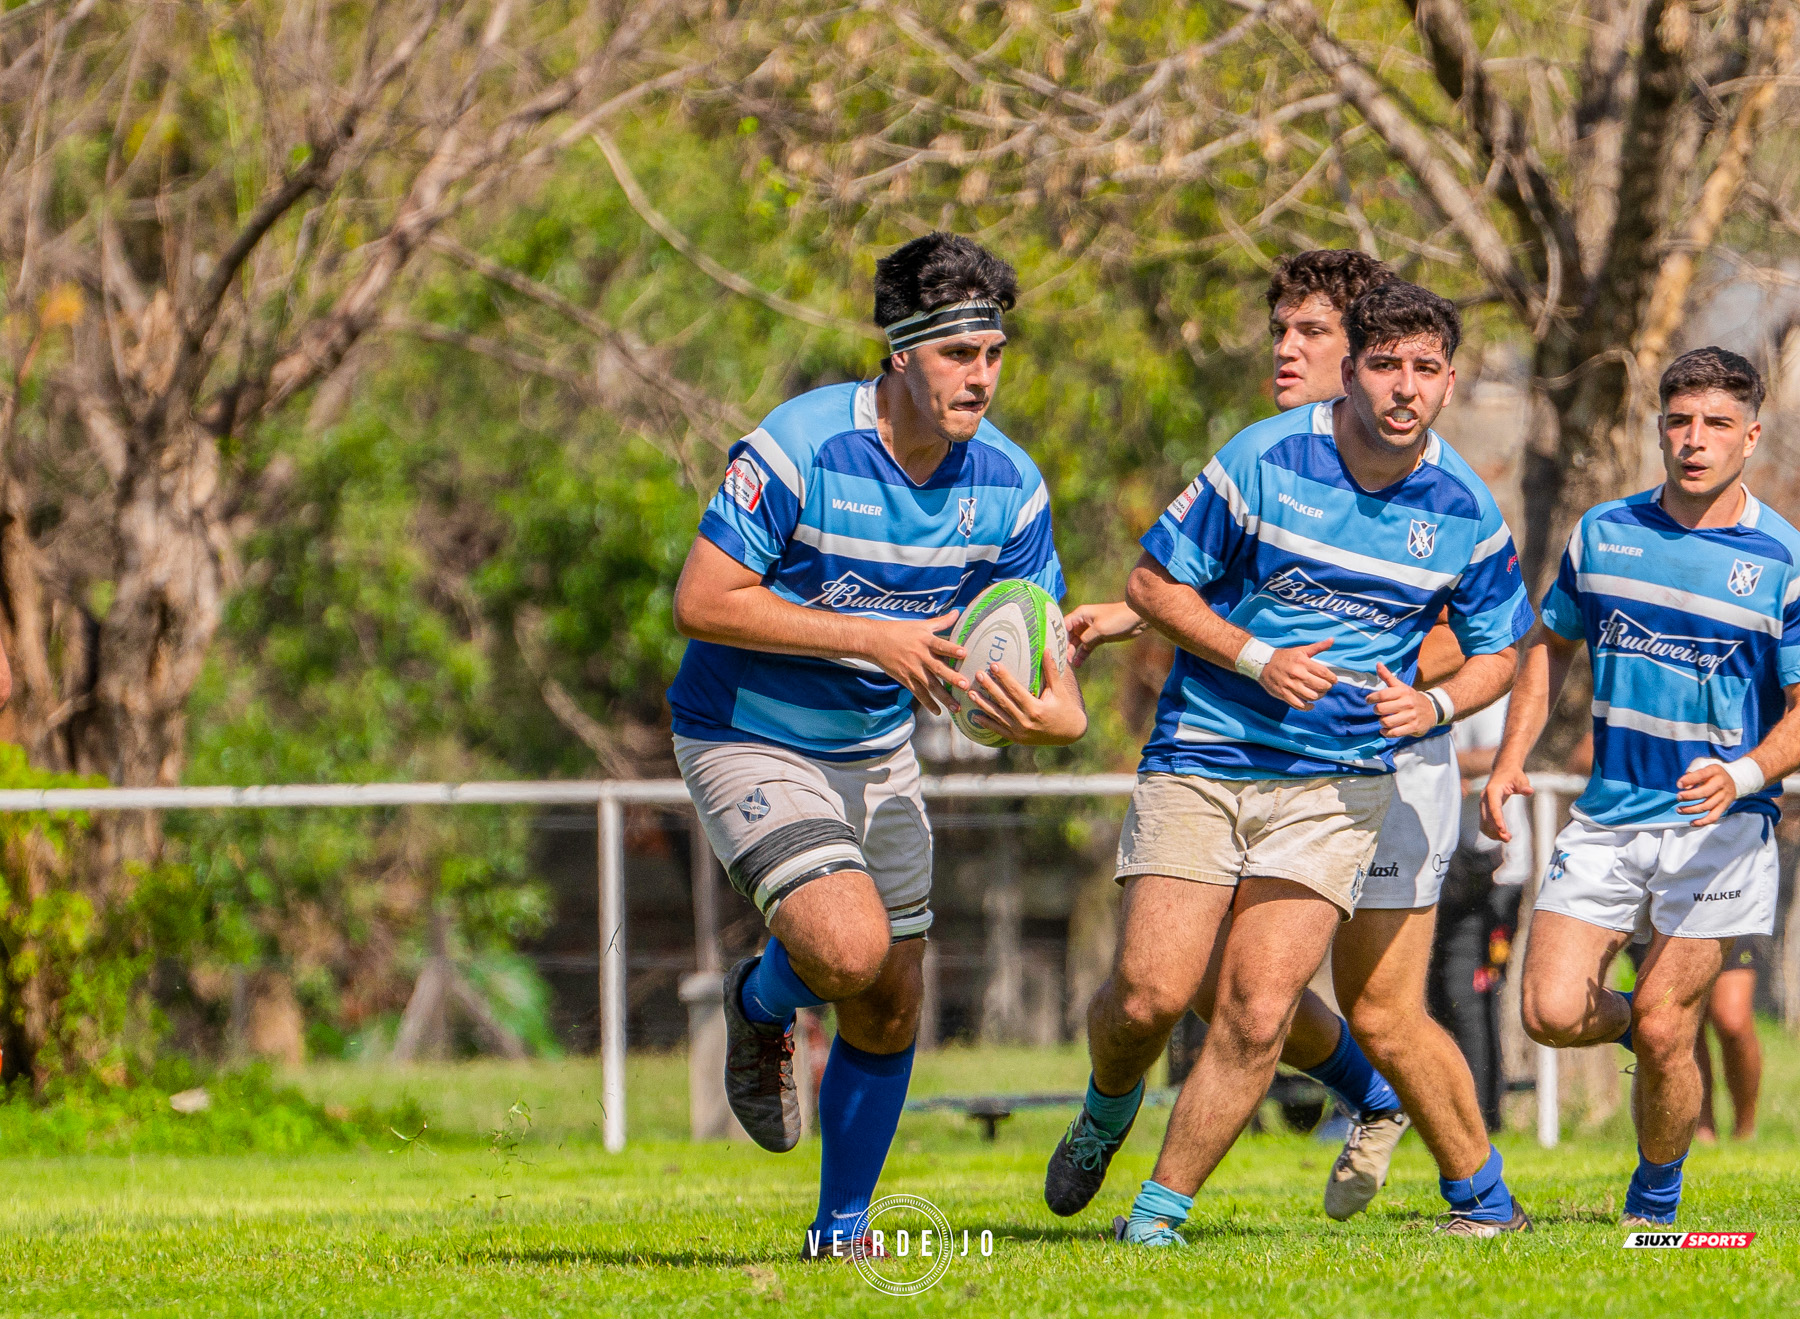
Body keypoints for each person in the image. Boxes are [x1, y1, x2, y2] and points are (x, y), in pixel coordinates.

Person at [667, 232, 1087, 1260]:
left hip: (875, 748)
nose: (981, 376)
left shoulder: (1010, 484)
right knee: (849, 951)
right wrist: (871, 637)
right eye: (958, 354)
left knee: (893, 999)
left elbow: (1047, 652)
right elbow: (702, 599)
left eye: (994, 353)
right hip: (748, 733)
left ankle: (839, 1234)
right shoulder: (802, 445)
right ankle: (760, 1002)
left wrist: (1053, 715)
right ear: (900, 350)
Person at [1088, 279, 1533, 1248]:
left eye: (1310, 330)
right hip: (1221, 752)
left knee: (1341, 1005)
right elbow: (1192, 581)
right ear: (1356, 369)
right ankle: (1136, 1107)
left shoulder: (1461, 503)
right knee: (1171, 988)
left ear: (1448, 379)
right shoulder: (1266, 456)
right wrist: (1222, 644)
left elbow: (1496, 643)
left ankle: (1478, 1194)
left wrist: (1433, 704)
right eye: (1384, 364)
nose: (1403, 385)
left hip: (1370, 770)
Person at [1484, 346, 1800, 1227]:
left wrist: (1743, 772)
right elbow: (1549, 643)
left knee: (1668, 1026)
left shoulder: (1784, 558)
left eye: (1717, 424)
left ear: (1750, 436)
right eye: (1680, 422)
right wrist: (1511, 757)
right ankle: (1649, 1020)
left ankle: (1654, 1204)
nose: (1696, 440)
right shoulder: (1603, 533)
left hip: (1723, 826)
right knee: (1549, 1012)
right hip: (1611, 815)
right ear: (1659, 428)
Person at [1697, 936, 1766, 1142]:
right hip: (1663, 924)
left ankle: (1745, 1131)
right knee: (1685, 1029)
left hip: (1723, 920)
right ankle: (1700, 1131)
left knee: (1733, 1023)